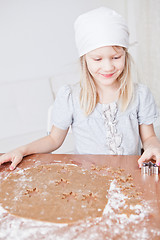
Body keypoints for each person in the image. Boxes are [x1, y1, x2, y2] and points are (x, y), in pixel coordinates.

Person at [0, 7, 160, 170]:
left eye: (116, 57)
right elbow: (54, 140)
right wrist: (21, 150)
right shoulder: (71, 96)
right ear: (85, 60)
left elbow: (149, 137)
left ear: (125, 55)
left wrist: (153, 147)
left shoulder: (140, 94)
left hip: (130, 176)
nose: (108, 66)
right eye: (97, 59)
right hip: (88, 179)